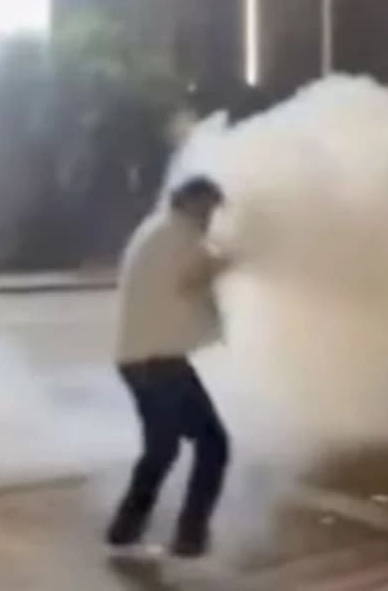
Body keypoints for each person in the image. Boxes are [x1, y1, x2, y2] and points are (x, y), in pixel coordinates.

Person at [106, 175, 232, 558]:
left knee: (162, 450)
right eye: (209, 207)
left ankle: (125, 529)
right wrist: (231, 259)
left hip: (137, 360)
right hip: (160, 363)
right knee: (213, 444)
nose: (212, 216)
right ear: (191, 202)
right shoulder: (179, 235)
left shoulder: (158, 229)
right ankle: (190, 536)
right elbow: (193, 278)